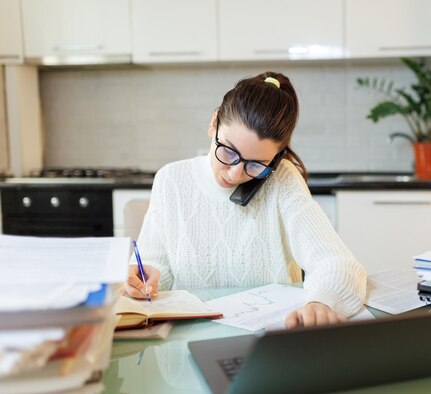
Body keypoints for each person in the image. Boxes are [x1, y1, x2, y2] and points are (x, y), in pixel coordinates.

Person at [125, 71, 367, 328]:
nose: (235, 173)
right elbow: (153, 270)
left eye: (256, 164)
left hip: (267, 343)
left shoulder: (282, 179)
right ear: (214, 123)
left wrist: (323, 303)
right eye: (228, 152)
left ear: (275, 158)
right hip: (186, 344)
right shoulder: (171, 180)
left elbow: (337, 263)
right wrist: (141, 281)